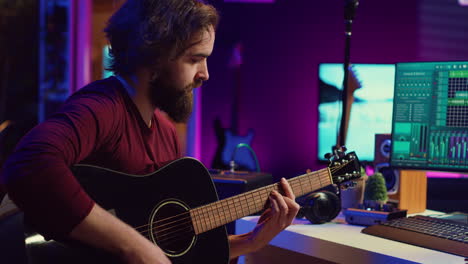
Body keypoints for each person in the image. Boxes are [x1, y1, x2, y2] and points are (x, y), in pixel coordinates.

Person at [0, 0, 300, 263]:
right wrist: (133, 246)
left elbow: (164, 249)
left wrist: (253, 241)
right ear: (153, 57)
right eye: (194, 59)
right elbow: (28, 164)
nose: (205, 74)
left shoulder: (166, 133)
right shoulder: (103, 108)